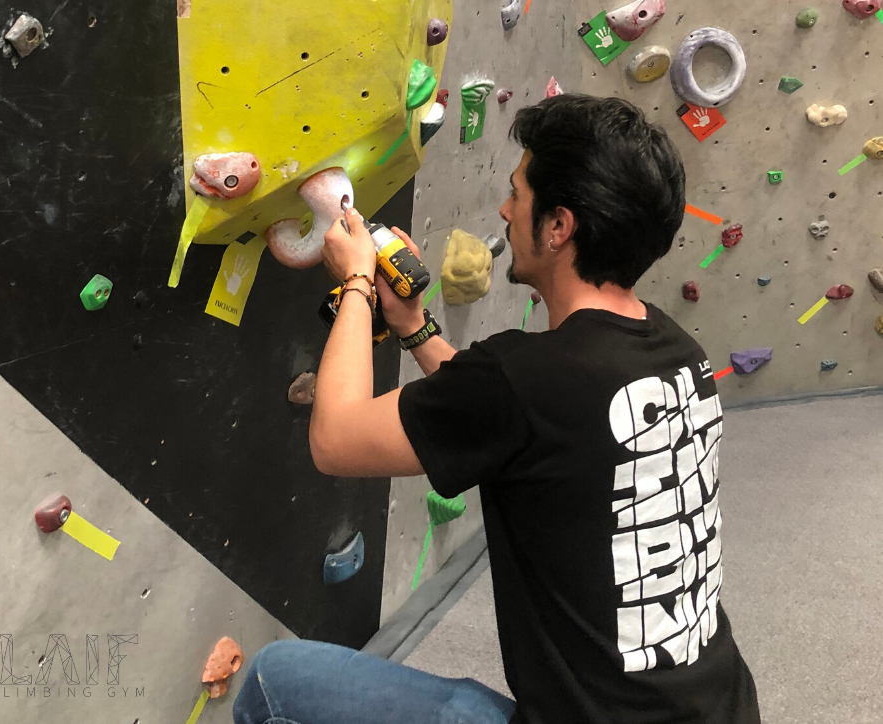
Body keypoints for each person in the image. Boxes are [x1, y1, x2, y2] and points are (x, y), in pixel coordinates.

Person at [233, 94, 761, 724]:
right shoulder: (678, 353)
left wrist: (354, 280)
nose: (505, 209)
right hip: (720, 708)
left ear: (559, 225)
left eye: (517, 193)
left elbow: (336, 439)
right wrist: (411, 326)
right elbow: (503, 412)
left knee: (274, 681)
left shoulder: (527, 377)